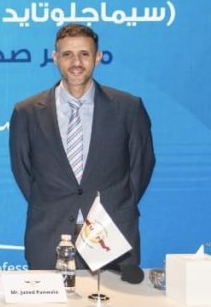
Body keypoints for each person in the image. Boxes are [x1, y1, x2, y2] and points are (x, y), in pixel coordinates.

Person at [10, 23, 154, 269]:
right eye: (67, 54)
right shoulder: (27, 112)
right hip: (49, 236)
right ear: (55, 58)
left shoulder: (128, 108)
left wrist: (115, 205)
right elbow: (23, 172)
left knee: (114, 296)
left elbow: (141, 167)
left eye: (84, 54)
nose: (76, 62)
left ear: (98, 57)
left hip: (112, 237)